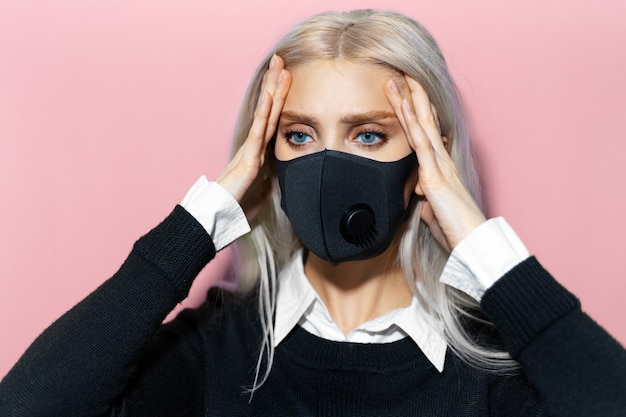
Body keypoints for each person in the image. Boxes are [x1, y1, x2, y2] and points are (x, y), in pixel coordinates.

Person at [0, 9, 624, 417]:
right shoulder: (219, 349)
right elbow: (28, 406)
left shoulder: (488, 370)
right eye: (299, 135)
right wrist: (202, 221)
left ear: (425, 160)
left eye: (369, 136)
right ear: (268, 154)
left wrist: (484, 248)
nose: (329, 167)